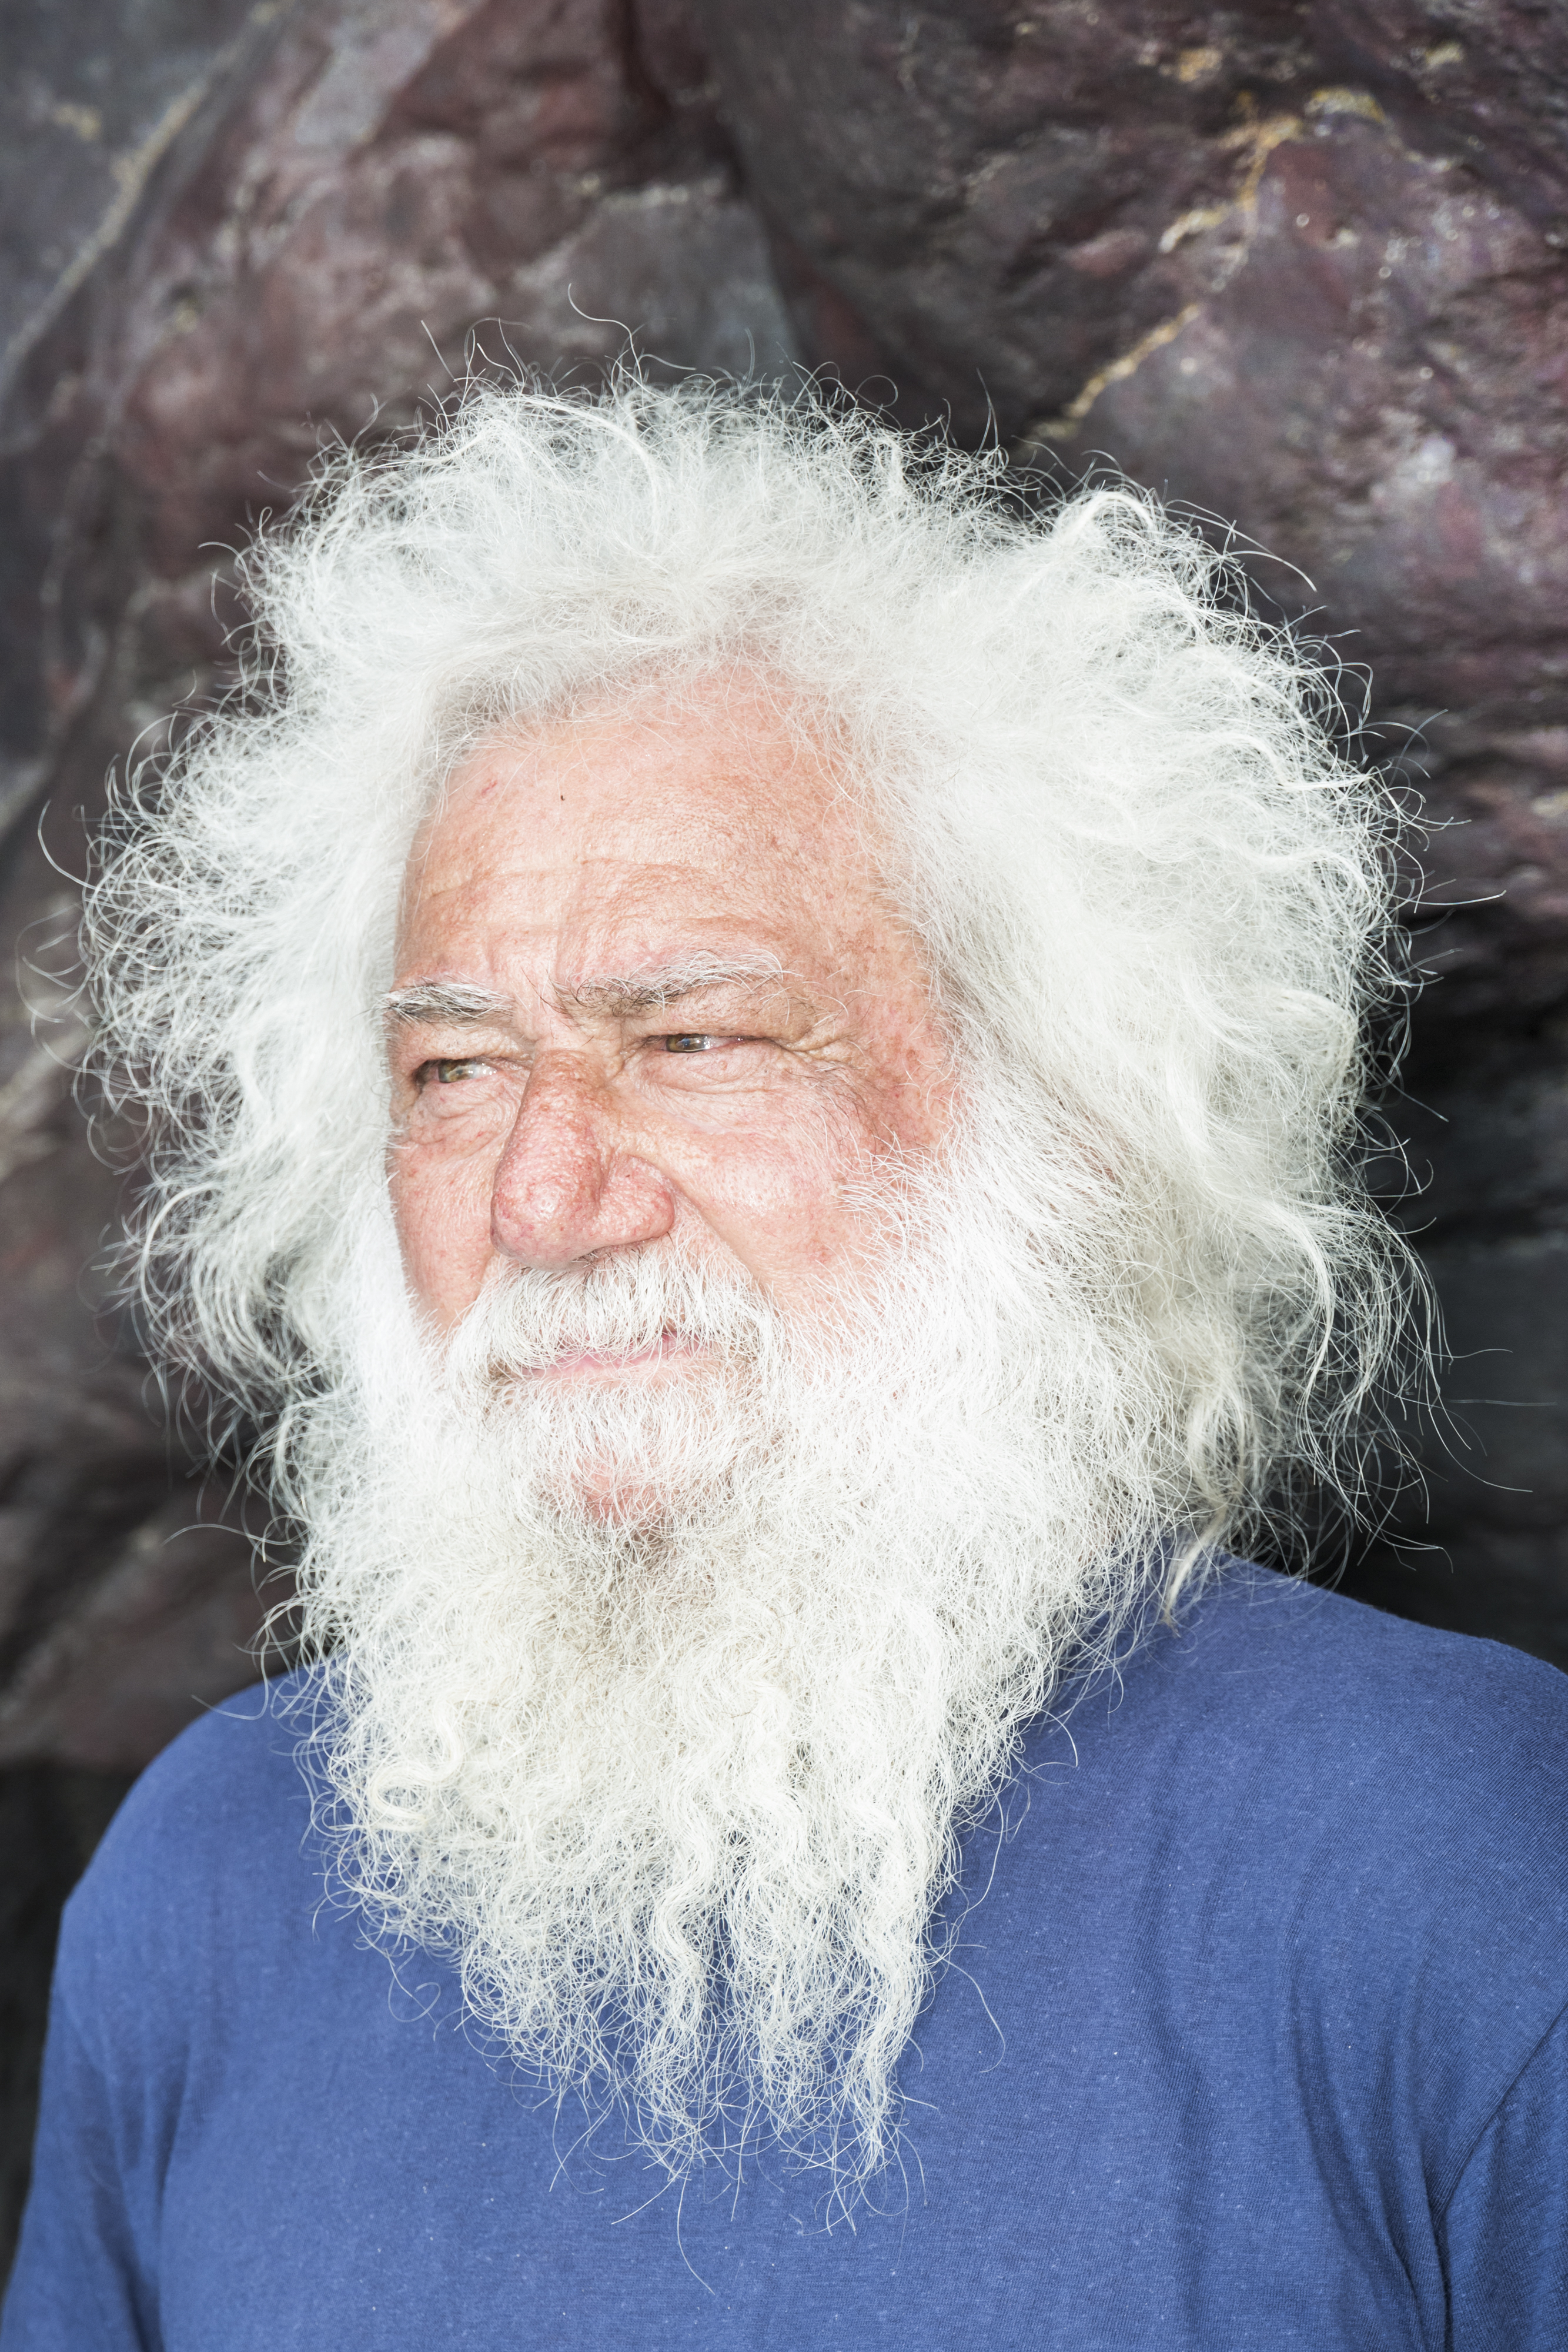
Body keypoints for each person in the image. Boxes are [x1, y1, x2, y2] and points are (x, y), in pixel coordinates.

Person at [4, 379, 1566, 2350]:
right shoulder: (203, 1887)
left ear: (1060, 1111)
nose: (549, 1199)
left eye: (695, 1042)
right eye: (454, 1073)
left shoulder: (1446, 1859)